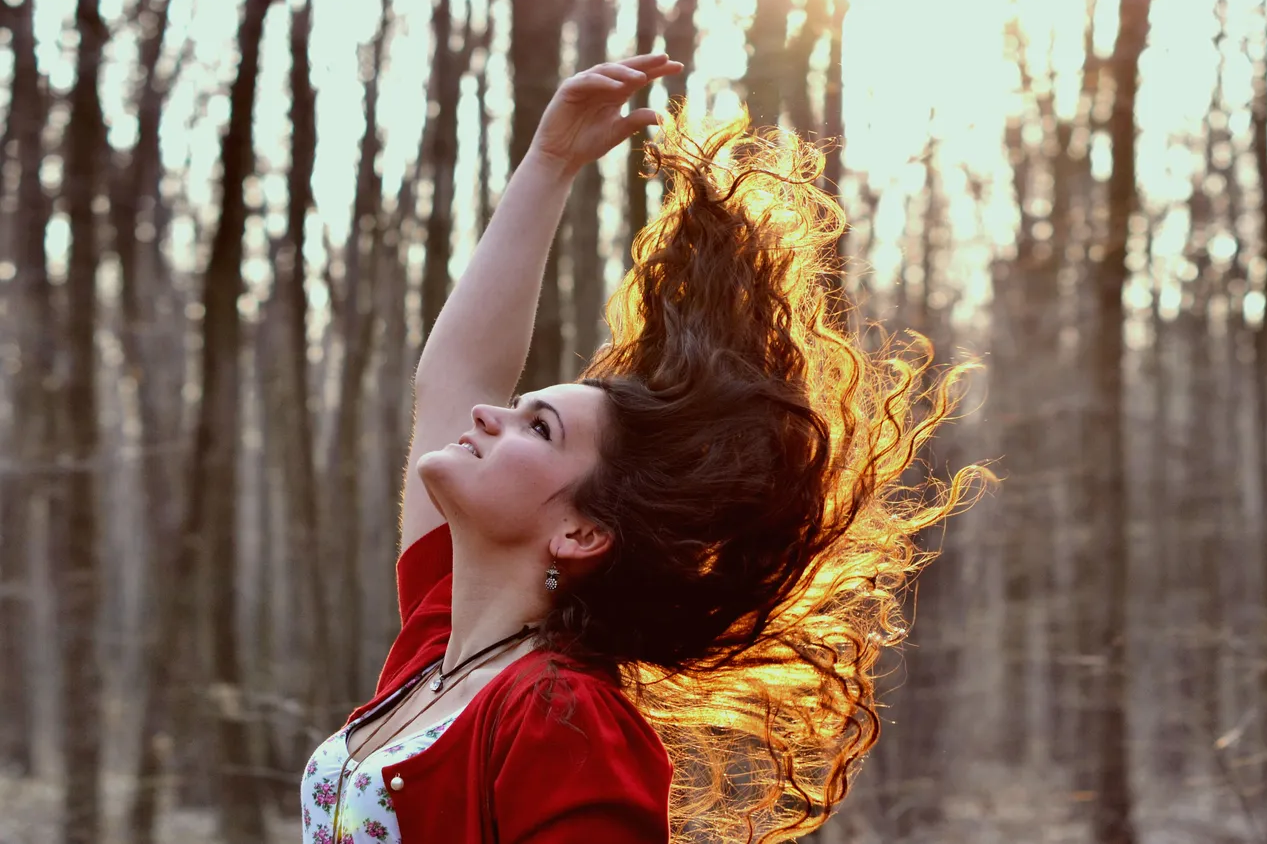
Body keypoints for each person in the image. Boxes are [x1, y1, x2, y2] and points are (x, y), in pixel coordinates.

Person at [300, 53, 981, 844]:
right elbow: (457, 371)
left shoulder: (563, 714)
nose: (489, 416)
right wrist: (548, 165)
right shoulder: (437, 644)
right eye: (521, 408)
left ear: (581, 532)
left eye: (538, 427)